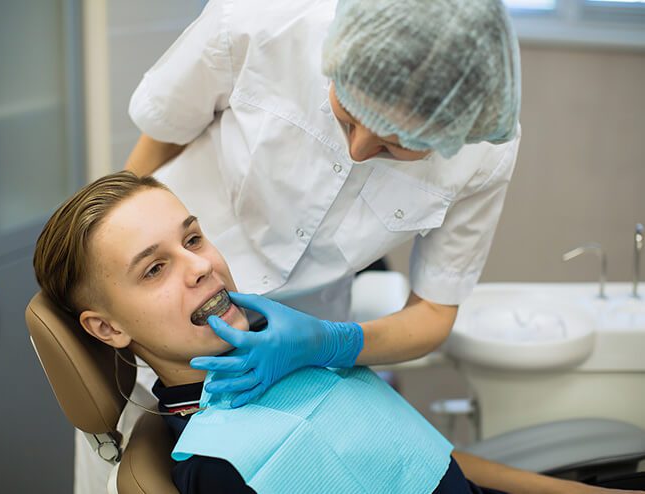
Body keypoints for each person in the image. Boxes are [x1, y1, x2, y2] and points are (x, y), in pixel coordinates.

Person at [34, 172, 642, 494]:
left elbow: (434, 464)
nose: (201, 265)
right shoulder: (220, 468)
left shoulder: (297, 359)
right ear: (106, 327)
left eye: (193, 238)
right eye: (155, 268)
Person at [123, 0, 522, 408]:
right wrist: (106, 277)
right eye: (347, 114)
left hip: (297, 366)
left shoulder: (482, 152)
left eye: (394, 146)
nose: (359, 150)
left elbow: (434, 313)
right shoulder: (259, 21)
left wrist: (327, 343)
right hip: (155, 327)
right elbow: (161, 136)